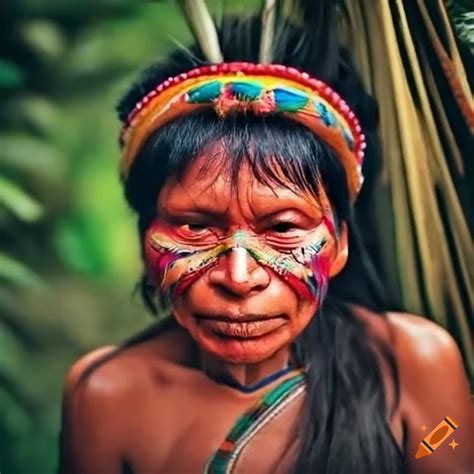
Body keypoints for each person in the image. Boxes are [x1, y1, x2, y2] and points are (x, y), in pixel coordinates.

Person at [58, 7, 472, 474]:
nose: (239, 277)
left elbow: (439, 449)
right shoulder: (107, 396)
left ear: (338, 243)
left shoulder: (412, 364)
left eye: (282, 229)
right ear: (144, 240)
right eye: (194, 227)